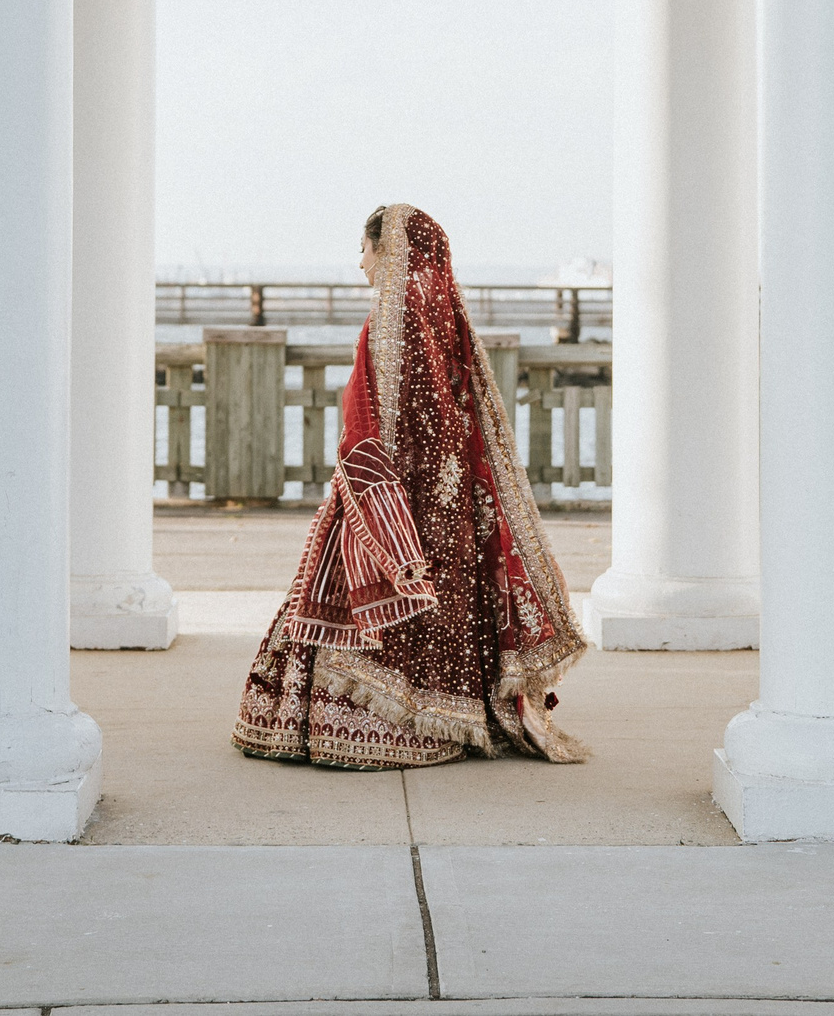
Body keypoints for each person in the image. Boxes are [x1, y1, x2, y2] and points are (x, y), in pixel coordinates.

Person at [233, 203, 588, 769]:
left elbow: (369, 423)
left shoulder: (388, 324)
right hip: (448, 509)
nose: (360, 264)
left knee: (356, 596)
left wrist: (369, 498)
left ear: (389, 251)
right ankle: (453, 719)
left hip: (389, 502)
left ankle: (370, 728)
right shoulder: (447, 324)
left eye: (366, 249)